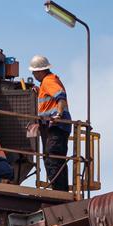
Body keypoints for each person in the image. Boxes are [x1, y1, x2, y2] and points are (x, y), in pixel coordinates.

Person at [29, 54, 72, 191]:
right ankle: (61, 189)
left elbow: (61, 97)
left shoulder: (48, 81)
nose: (33, 74)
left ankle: (59, 191)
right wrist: (38, 90)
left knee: (52, 158)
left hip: (56, 125)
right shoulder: (46, 83)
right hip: (53, 126)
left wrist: (58, 114)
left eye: (34, 72)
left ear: (41, 71)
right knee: (55, 158)